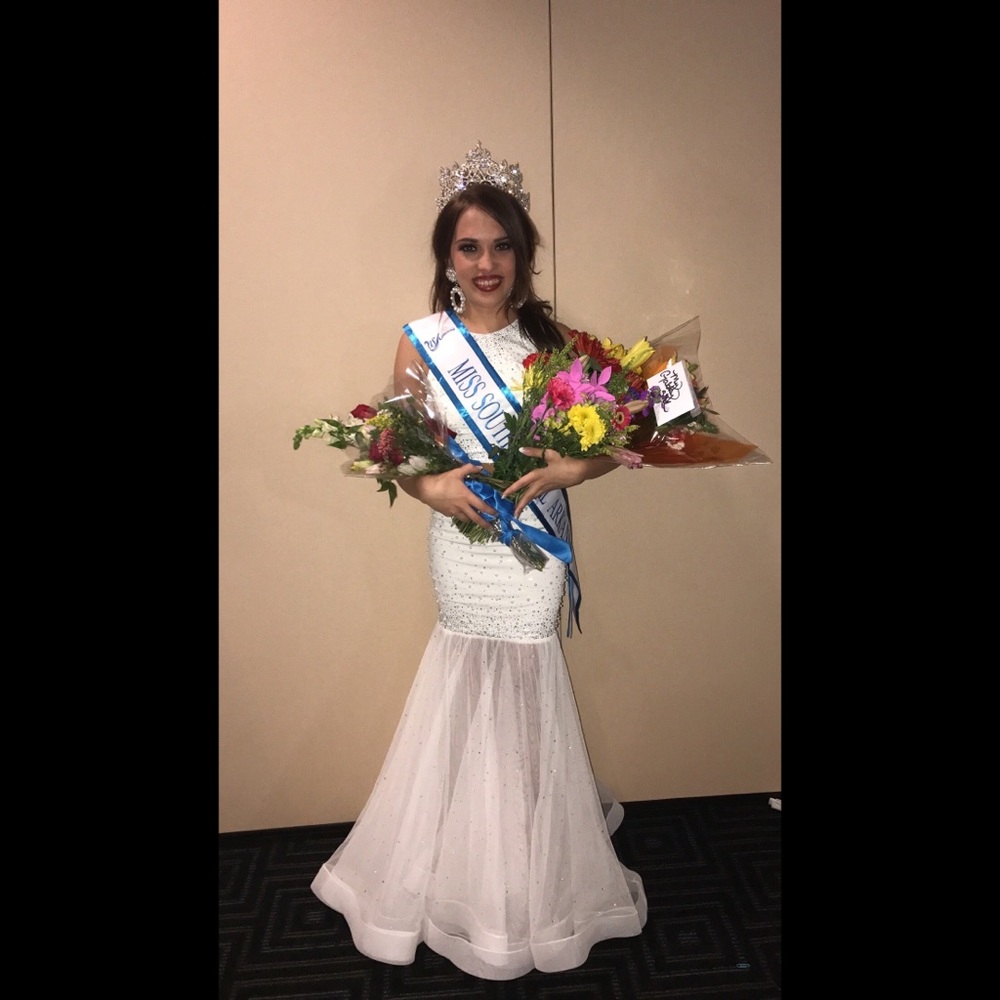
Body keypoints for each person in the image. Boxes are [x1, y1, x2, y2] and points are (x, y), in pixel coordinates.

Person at [311, 142, 647, 981]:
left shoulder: (556, 343)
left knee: (530, 680)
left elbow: (621, 436)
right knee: (465, 680)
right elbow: (394, 451)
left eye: (502, 245)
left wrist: (574, 467)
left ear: (523, 254)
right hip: (462, 547)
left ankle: (530, 857)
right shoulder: (424, 343)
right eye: (469, 246)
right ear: (445, 257)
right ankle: (458, 853)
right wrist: (431, 494)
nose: (487, 262)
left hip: (532, 550)